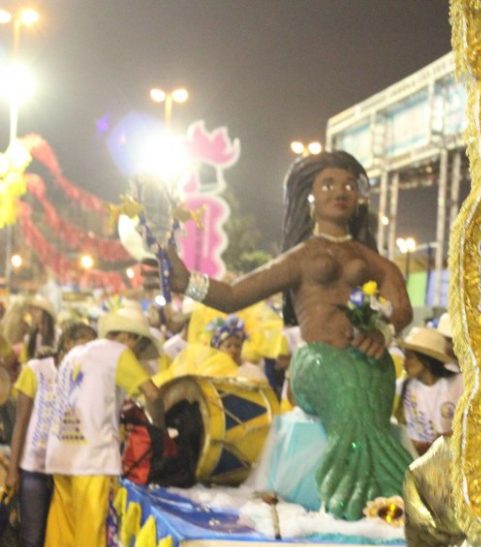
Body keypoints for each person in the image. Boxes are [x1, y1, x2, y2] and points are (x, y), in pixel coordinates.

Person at [156, 150, 413, 520]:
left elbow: (400, 303)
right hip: (319, 364)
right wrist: (187, 282)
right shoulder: (301, 257)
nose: (339, 190)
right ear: (310, 196)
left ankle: (387, 494)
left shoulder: (371, 258)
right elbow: (232, 297)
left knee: (367, 379)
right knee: (349, 390)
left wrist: (383, 329)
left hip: (370, 364)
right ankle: (360, 495)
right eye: (328, 184)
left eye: (348, 185)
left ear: (358, 197)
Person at [42, 306, 164, 547]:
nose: (135, 350)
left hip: (61, 459)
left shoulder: (76, 354)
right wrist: (162, 432)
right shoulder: (118, 354)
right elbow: (153, 393)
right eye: (136, 343)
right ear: (128, 337)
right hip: (92, 463)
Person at [4, 321, 96, 547]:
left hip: (68, 475)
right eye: (80, 343)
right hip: (33, 469)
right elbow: (22, 421)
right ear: (65, 342)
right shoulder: (37, 369)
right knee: (30, 545)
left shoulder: (85, 375)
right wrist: (13, 470)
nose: (85, 351)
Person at [398, 326, 462, 455]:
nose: (404, 363)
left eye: (409, 357)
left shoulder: (460, 383)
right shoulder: (408, 388)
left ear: (426, 360)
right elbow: (416, 440)